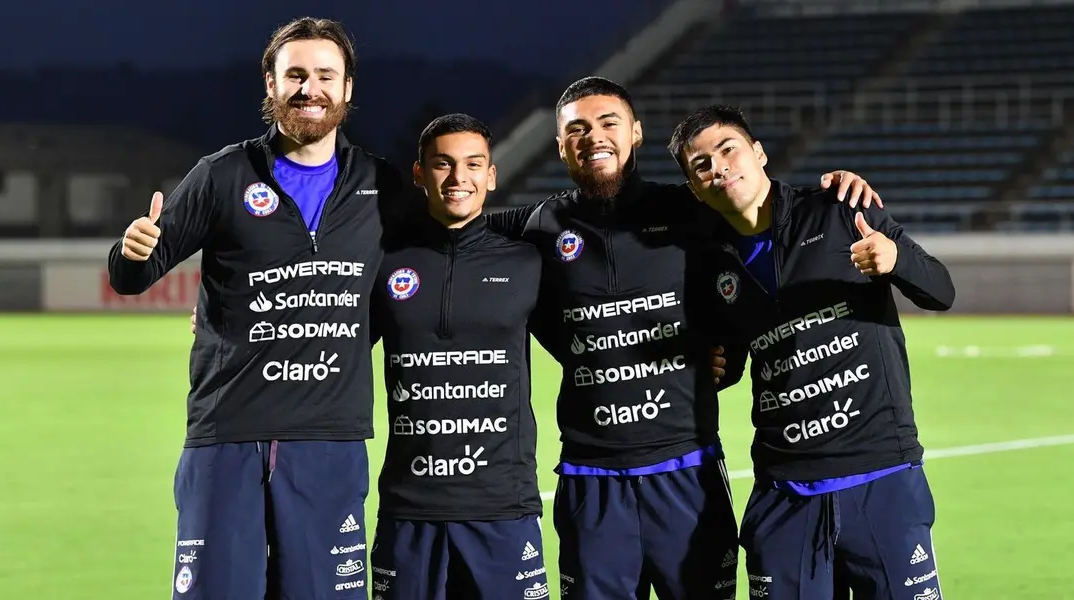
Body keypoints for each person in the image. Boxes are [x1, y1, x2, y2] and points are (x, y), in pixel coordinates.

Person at [484, 76, 882, 600]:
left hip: (687, 471)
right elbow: (459, 223)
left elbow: (757, 232)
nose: (593, 137)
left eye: (608, 123)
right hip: (590, 473)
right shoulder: (539, 226)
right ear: (561, 146)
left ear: (635, 132)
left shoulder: (690, 212)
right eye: (576, 129)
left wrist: (834, 192)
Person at [108, 17, 407, 600]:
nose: (309, 88)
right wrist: (131, 251)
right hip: (227, 437)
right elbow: (133, 274)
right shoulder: (222, 175)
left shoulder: (383, 187)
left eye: (325, 75)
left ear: (347, 88)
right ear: (270, 84)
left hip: (329, 442)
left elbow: (421, 280)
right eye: (295, 75)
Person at [669, 103, 954, 600]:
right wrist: (713, 365)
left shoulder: (841, 209)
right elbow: (732, 357)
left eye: (729, 149)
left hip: (881, 476)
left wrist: (895, 259)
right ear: (694, 187)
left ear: (759, 153)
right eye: (702, 165)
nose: (719, 167)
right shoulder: (708, 260)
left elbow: (941, 291)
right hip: (785, 493)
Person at [367, 114, 549, 600]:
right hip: (410, 508)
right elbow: (329, 339)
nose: (458, 177)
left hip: (502, 508)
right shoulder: (384, 261)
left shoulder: (526, 261)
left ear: (491, 175)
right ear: (420, 173)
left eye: (472, 164)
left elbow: (594, 334)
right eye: (443, 164)